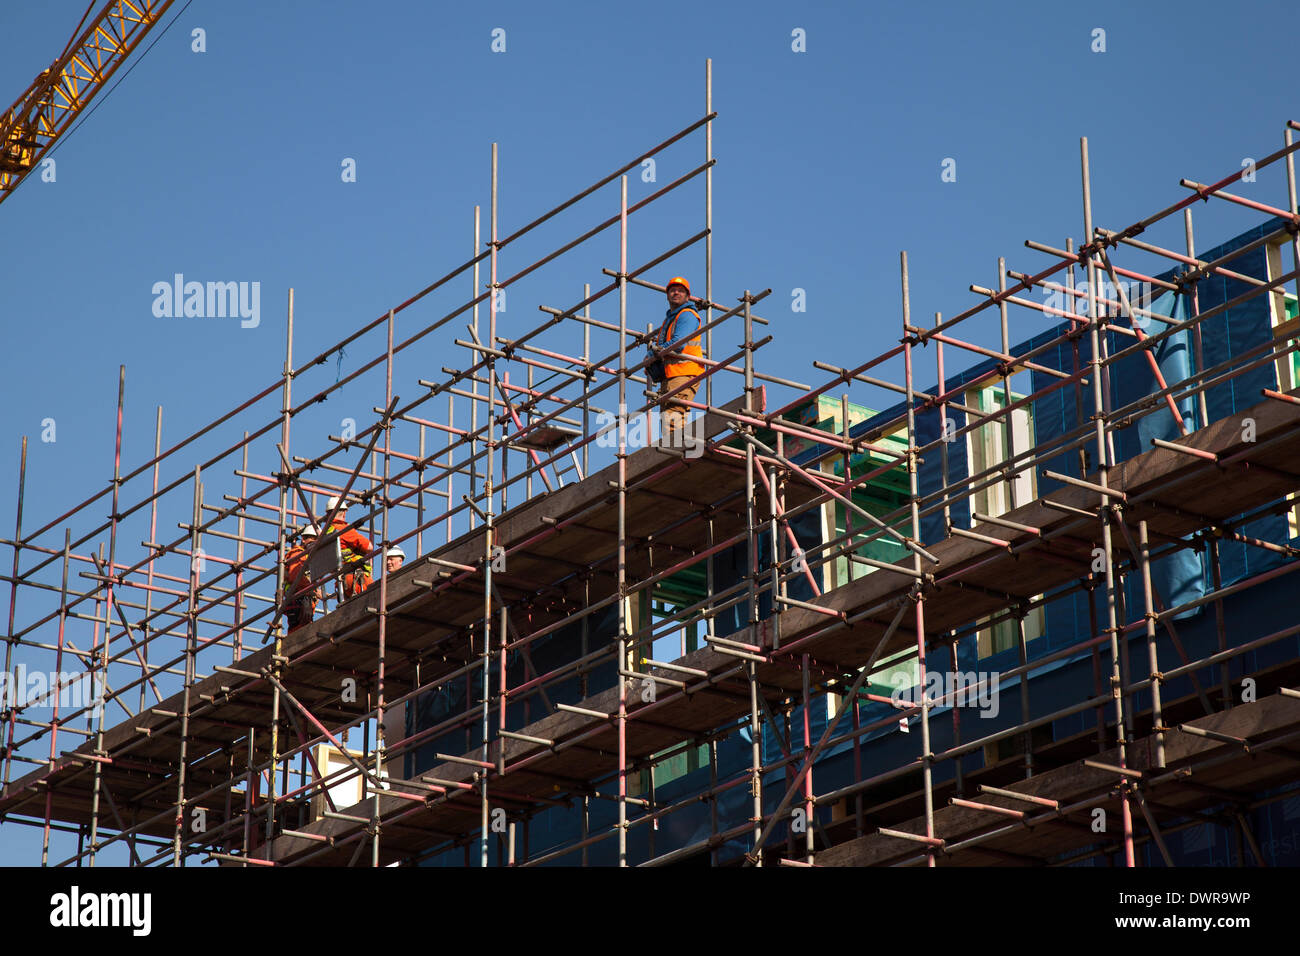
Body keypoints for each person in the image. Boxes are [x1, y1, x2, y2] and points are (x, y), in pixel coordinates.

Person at [649, 276, 705, 439]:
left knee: (673, 416)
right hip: (673, 374)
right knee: (668, 417)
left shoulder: (687, 315)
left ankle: (677, 453)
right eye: (673, 290)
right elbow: (661, 346)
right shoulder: (670, 319)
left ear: (688, 296)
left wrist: (652, 354)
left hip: (684, 372)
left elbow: (678, 344)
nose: (676, 293)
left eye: (681, 291)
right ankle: (674, 451)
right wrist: (651, 357)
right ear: (667, 295)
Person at [325, 495, 373, 599]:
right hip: (356, 578)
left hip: (342, 581)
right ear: (344, 512)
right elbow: (369, 547)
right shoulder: (343, 529)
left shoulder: (325, 533)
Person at [282, 523, 320, 633]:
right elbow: (295, 576)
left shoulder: (308, 556)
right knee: (299, 631)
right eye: (312, 540)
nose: (315, 544)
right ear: (303, 539)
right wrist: (312, 590)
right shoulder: (297, 553)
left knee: (303, 629)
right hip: (298, 598)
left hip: (302, 598)